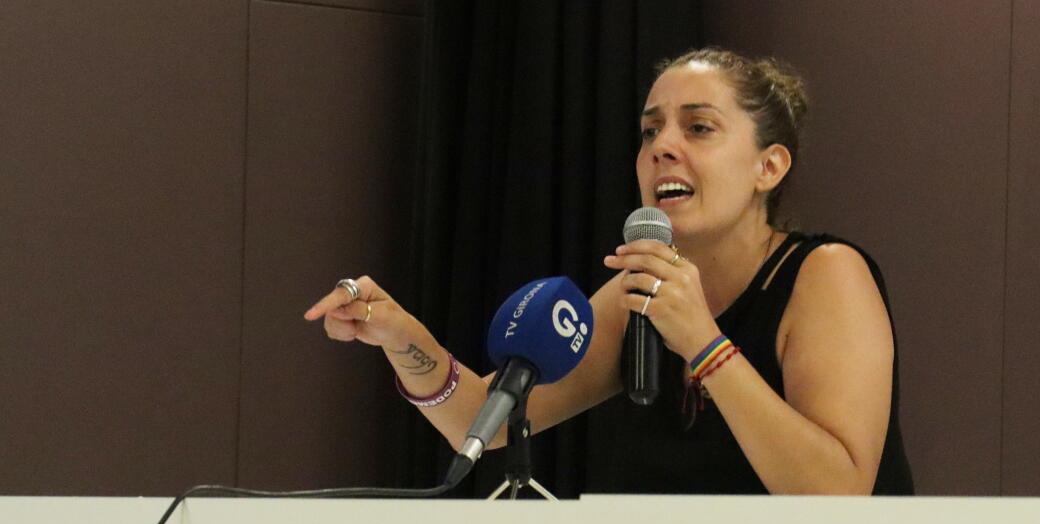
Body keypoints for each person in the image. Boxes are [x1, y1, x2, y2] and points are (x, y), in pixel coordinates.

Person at [304, 48, 912, 495]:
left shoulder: (825, 274)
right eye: (651, 130)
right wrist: (405, 339)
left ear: (769, 167)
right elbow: (484, 423)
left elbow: (837, 494)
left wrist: (703, 344)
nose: (661, 147)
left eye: (698, 127)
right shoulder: (639, 291)